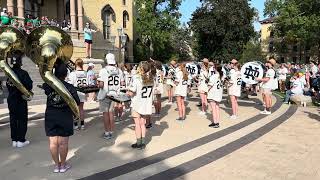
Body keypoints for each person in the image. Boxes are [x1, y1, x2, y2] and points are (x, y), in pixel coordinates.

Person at [43, 62, 80, 173]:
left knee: (53, 143)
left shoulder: (48, 85)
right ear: (66, 74)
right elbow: (77, 102)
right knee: (63, 143)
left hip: (51, 116)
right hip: (65, 116)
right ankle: (63, 165)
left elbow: (45, 78)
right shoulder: (70, 87)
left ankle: (56, 166)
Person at [6, 51, 33, 148]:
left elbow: (8, 86)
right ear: (20, 62)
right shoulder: (23, 73)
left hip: (11, 99)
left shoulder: (9, 73)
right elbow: (29, 85)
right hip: (20, 99)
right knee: (22, 119)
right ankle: (21, 140)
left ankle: (14, 140)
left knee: (13, 119)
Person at [127, 61, 155, 149]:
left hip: (137, 104)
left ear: (141, 68)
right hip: (146, 104)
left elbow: (131, 93)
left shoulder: (137, 78)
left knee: (137, 124)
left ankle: (138, 142)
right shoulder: (151, 79)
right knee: (143, 123)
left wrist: (127, 92)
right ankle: (143, 142)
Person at [97, 53, 124, 139]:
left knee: (105, 114)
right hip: (115, 94)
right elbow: (122, 83)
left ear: (106, 60)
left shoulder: (103, 70)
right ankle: (112, 131)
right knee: (111, 113)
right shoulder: (119, 70)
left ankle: (107, 132)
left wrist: (98, 84)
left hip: (105, 94)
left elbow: (101, 85)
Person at [68, 58, 87, 130]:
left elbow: (70, 84)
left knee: (75, 109)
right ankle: (82, 125)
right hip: (83, 92)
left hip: (75, 93)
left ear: (75, 64)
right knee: (81, 109)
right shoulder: (85, 73)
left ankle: (76, 124)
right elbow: (87, 83)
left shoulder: (73, 73)